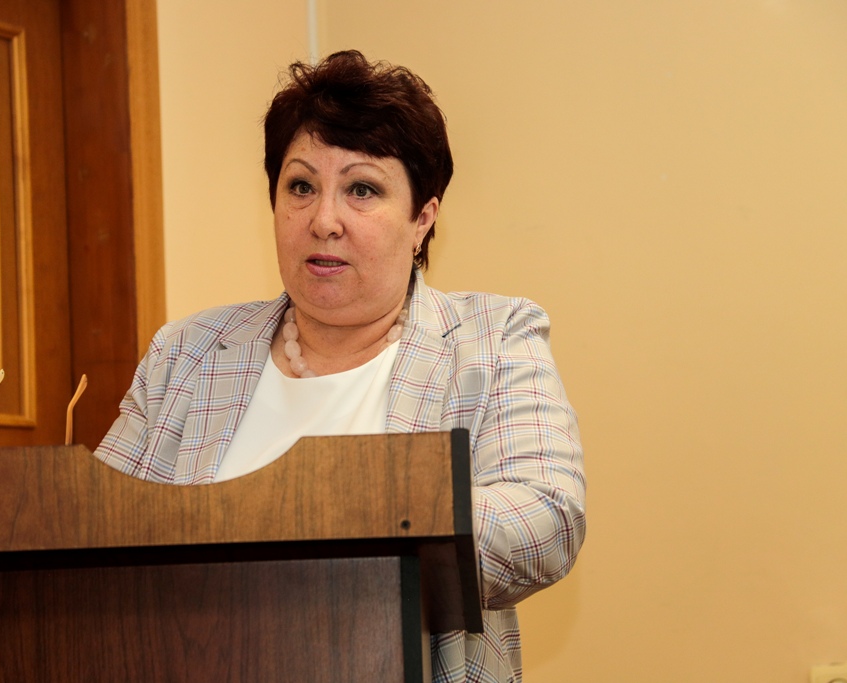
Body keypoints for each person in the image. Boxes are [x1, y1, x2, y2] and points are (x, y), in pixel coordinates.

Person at [96, 49, 585, 683]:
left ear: (422, 218)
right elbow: (90, 529)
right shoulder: (187, 352)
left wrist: (343, 512)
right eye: (301, 187)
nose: (324, 221)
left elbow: (546, 517)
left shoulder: (493, 339)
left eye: (362, 189)